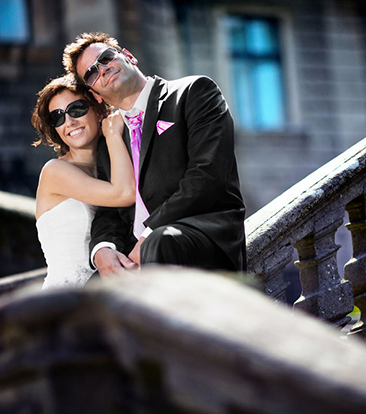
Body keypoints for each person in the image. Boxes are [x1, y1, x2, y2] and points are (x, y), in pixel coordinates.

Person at [62, 32, 247, 277]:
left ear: (129, 57)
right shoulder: (109, 139)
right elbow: (109, 210)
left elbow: (207, 176)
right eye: (92, 73)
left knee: (160, 242)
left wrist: (149, 233)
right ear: (95, 93)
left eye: (105, 58)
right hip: (139, 252)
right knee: (94, 283)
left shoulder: (194, 91)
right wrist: (102, 249)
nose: (103, 69)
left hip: (203, 236)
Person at [31, 74, 135, 289]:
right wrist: (112, 133)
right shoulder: (55, 171)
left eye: (76, 109)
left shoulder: (113, 168)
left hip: (110, 289)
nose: (69, 122)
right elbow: (124, 194)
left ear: (97, 111)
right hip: (67, 296)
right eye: (58, 117)